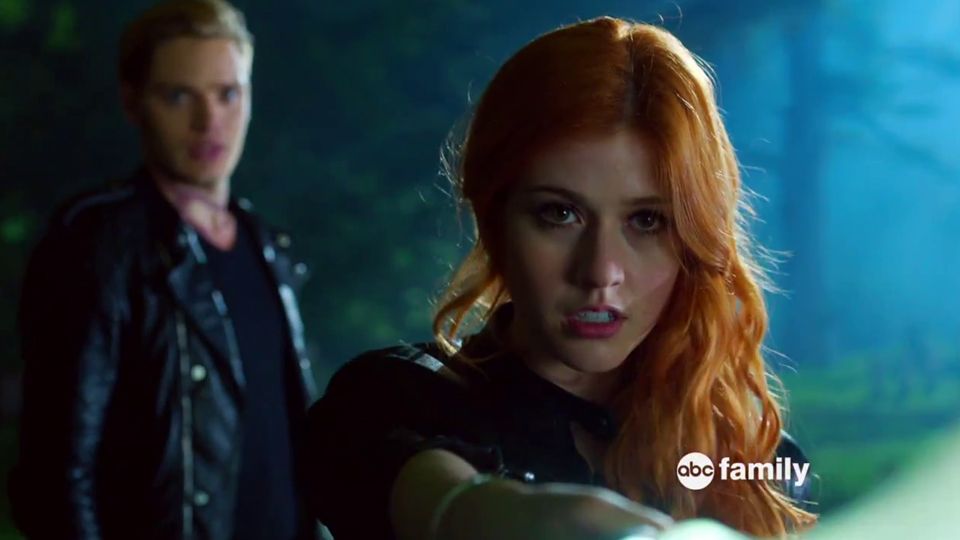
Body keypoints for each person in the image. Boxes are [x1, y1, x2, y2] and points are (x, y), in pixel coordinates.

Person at [305, 16, 818, 540]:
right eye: (559, 214)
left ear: (694, 237)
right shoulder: (393, 401)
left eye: (647, 221)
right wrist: (483, 511)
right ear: (493, 218)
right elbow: (382, 462)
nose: (600, 272)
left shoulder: (755, 461)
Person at [7, 1, 322, 538]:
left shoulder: (266, 245)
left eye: (228, 94)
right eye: (179, 96)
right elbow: (56, 473)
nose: (209, 121)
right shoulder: (99, 243)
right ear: (133, 102)